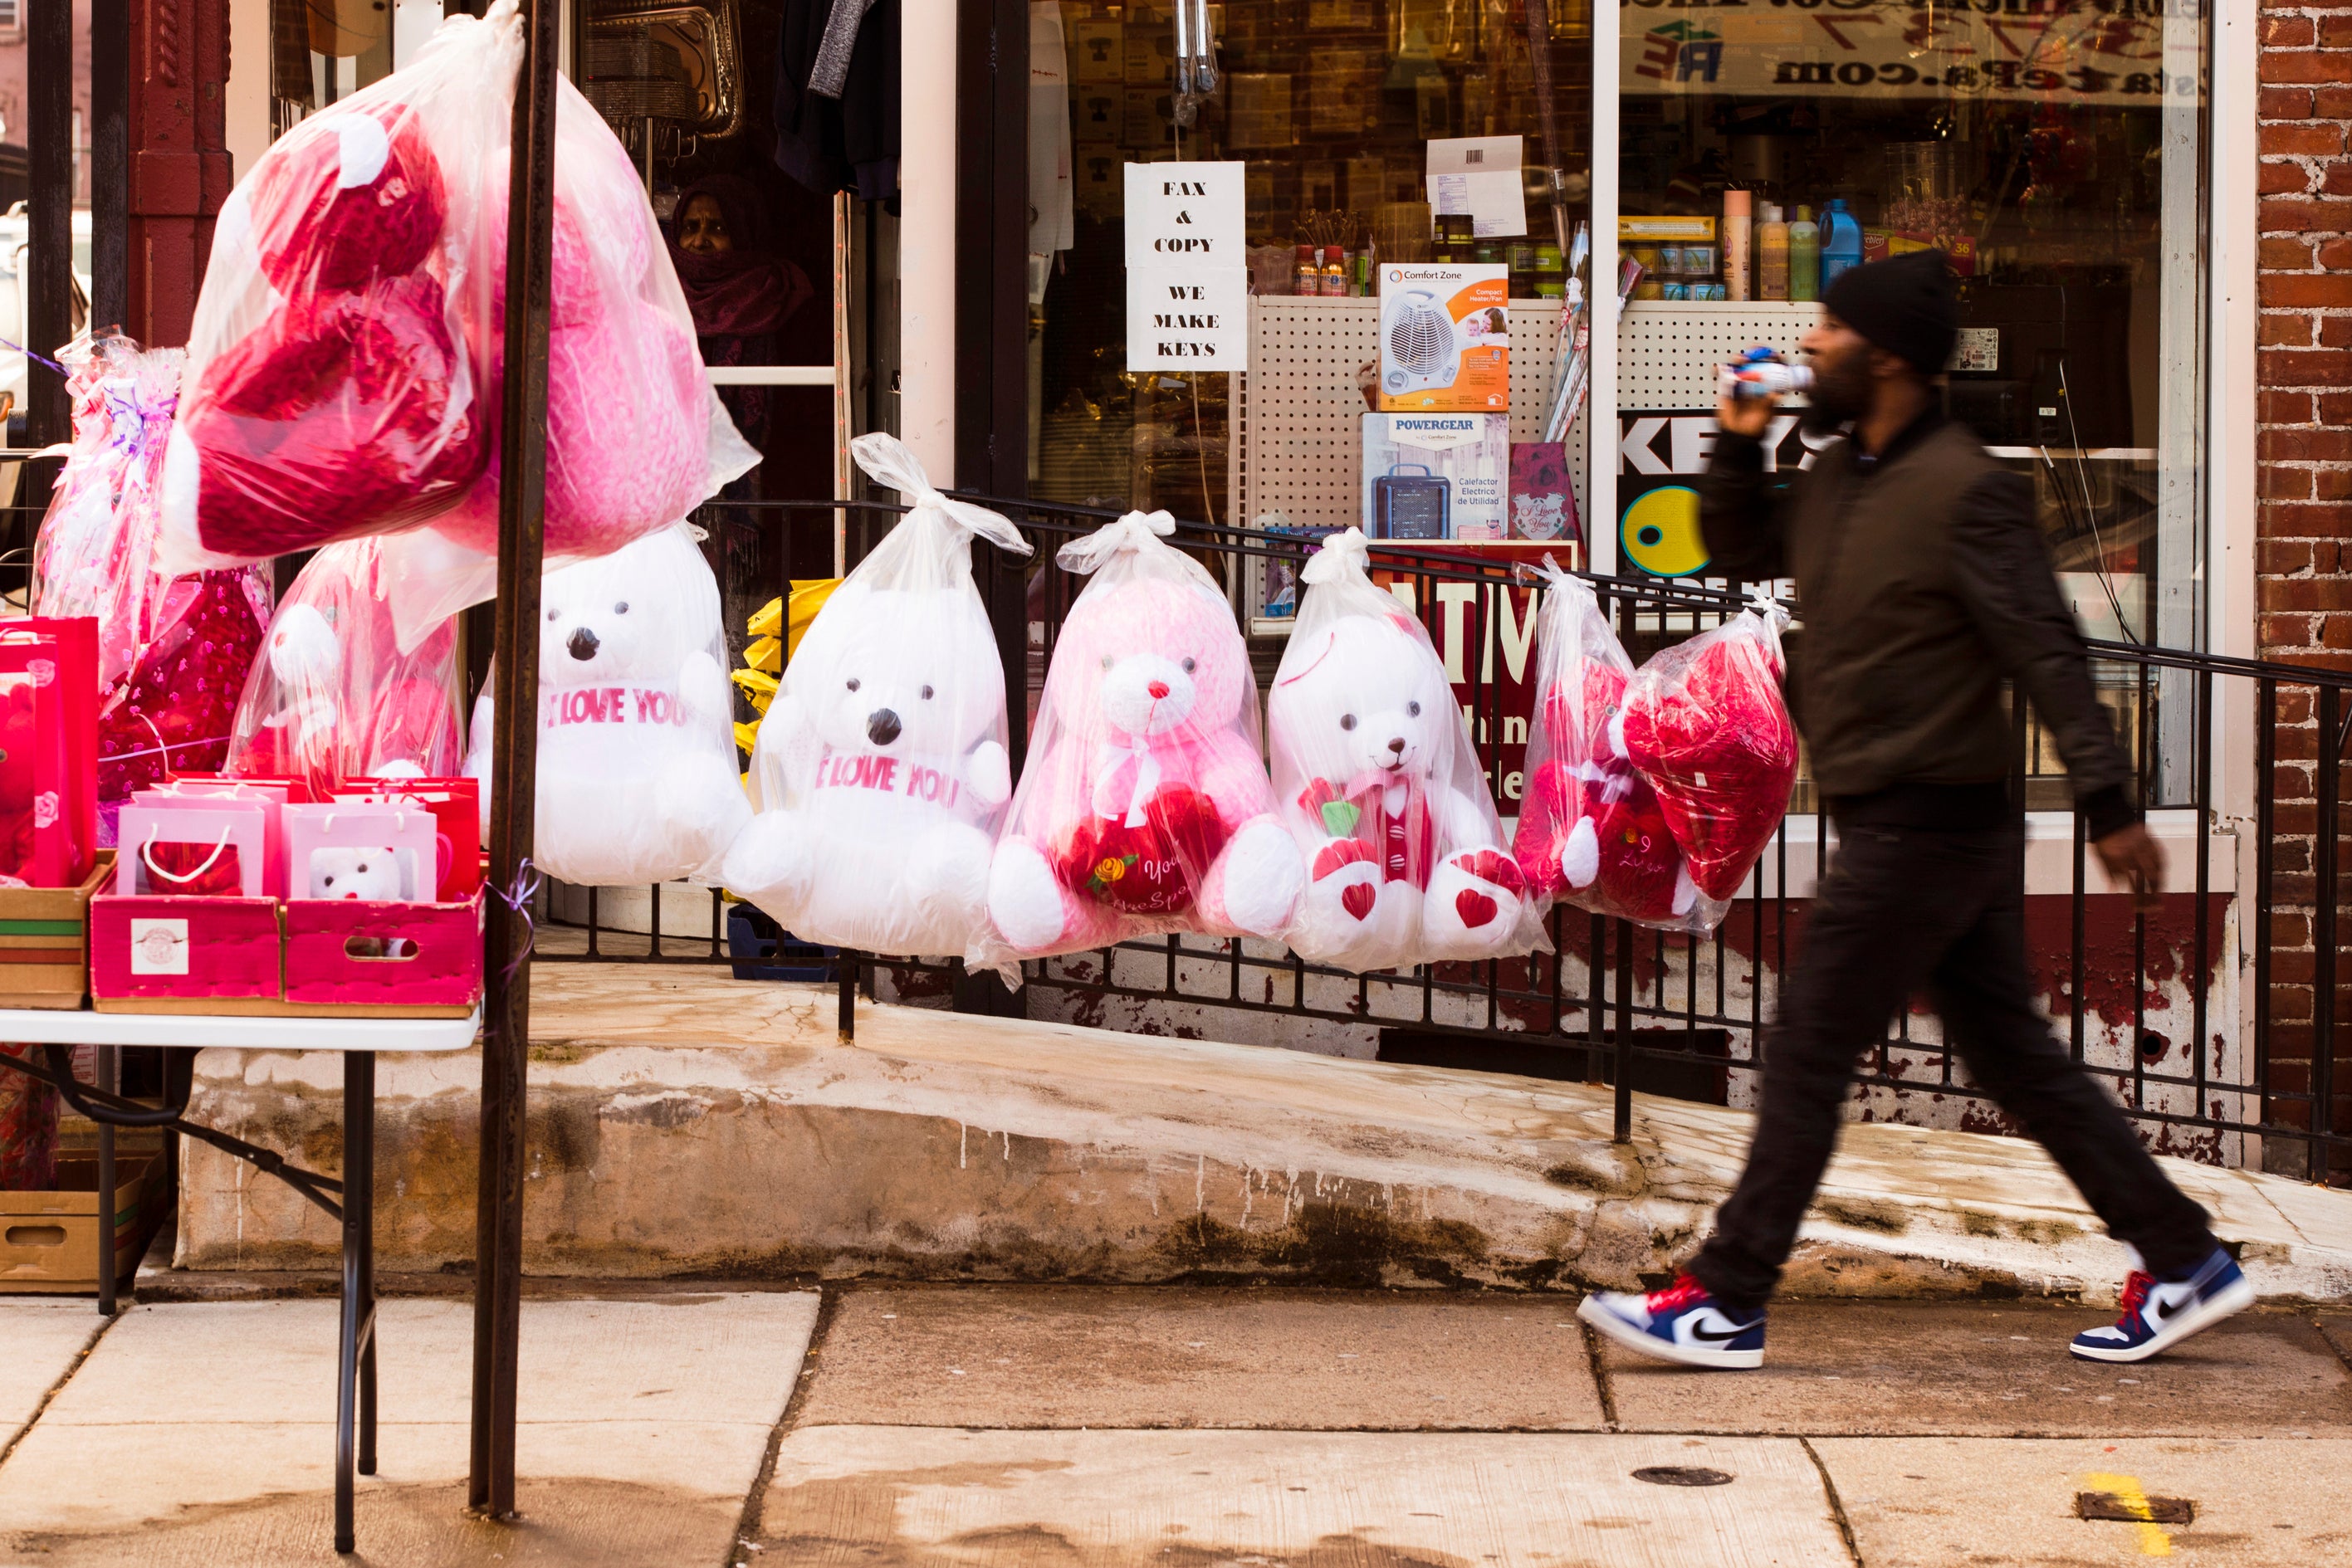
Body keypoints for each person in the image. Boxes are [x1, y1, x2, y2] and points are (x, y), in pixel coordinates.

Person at [1577, 250, 2250, 1370]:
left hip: (1926, 822)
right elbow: (1738, 547)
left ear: (1884, 354)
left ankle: (1726, 1297)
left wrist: (2108, 801)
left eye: (1829, 333)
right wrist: (1736, 442)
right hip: (1906, 819)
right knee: (2018, 1060)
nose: (1811, 347)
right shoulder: (1843, 474)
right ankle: (2182, 1255)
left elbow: (2044, 646)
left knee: (1805, 1049)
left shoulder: (1968, 487)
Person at [667, 173, 814, 455]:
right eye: (690, 227)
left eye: (719, 229)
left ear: (746, 233)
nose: (699, 241)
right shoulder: (662, 297)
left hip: (776, 473)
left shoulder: (782, 295)